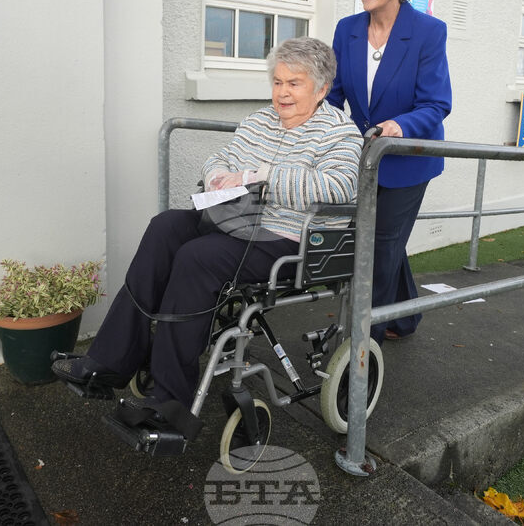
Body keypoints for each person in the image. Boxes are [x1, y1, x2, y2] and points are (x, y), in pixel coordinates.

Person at [52, 37, 363, 426]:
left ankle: (169, 402)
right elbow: (224, 157)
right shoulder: (259, 121)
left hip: (286, 239)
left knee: (197, 258)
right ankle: (108, 362)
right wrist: (216, 174)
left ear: (321, 88)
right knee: (163, 227)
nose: (282, 93)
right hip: (235, 221)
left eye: (294, 84)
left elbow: (337, 188)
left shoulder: (340, 133)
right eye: (278, 82)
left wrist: (263, 176)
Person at [327, 0, 453, 344]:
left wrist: (398, 126)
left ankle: (366, 342)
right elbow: (335, 95)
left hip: (407, 160)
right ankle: (407, 316)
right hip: (363, 161)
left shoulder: (428, 33)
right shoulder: (347, 30)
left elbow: (436, 104)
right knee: (385, 242)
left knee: (379, 248)